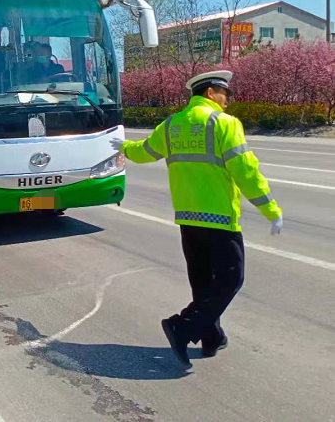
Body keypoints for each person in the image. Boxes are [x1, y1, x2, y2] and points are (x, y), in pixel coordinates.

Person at [110, 71, 283, 368]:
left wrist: (123, 148)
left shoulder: (171, 125)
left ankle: (212, 337)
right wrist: (271, 210)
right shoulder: (224, 124)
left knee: (202, 282)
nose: (227, 101)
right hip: (219, 218)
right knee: (230, 279)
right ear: (210, 92)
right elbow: (247, 173)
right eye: (224, 94)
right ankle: (183, 325)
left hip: (188, 218)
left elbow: (145, 152)